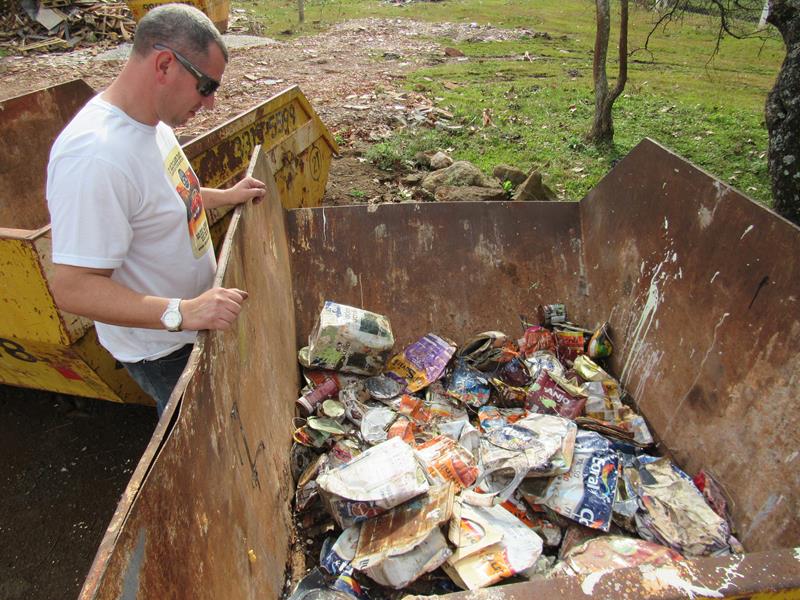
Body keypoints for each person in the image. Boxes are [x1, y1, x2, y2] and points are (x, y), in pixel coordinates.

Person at [46, 4, 266, 416]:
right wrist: (182, 312)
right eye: (206, 86)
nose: (212, 103)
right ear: (165, 63)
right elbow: (72, 287)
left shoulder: (153, 124)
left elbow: (170, 197)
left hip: (192, 327)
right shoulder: (96, 158)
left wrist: (223, 196)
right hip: (164, 351)